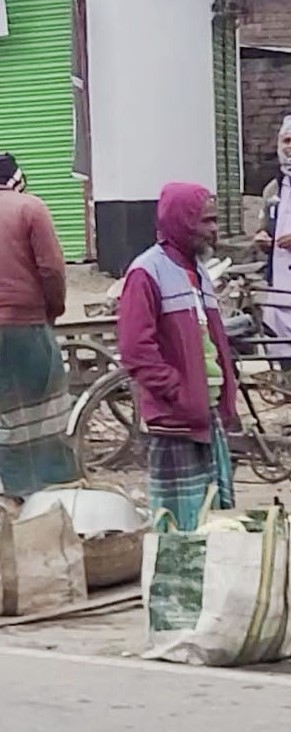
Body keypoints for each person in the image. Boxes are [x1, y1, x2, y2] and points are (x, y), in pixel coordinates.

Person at [0, 152, 81, 503]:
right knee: (47, 401)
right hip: (29, 323)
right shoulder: (32, 209)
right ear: (17, 179)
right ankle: (50, 483)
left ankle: (7, 480)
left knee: (5, 404)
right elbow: (52, 269)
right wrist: (52, 309)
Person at [117, 183, 237, 530]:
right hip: (176, 423)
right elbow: (136, 351)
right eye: (206, 221)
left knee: (215, 522)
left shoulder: (200, 272)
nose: (214, 230)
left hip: (207, 418)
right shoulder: (146, 273)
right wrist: (179, 393)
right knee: (180, 531)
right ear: (182, 222)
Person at [255, 116, 291, 359]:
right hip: (279, 285)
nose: (290, 147)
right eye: (287, 140)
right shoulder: (273, 189)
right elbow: (263, 227)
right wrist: (261, 239)